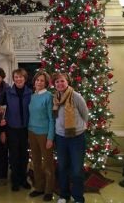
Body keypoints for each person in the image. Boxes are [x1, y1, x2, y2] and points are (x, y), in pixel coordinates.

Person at [52, 73, 88, 203]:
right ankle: (64, 195)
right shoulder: (55, 98)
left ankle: (78, 197)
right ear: (54, 84)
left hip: (76, 138)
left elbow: (85, 114)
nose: (59, 84)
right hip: (60, 137)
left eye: (62, 81)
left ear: (67, 82)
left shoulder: (76, 96)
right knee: (62, 167)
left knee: (77, 169)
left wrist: (80, 128)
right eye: (57, 82)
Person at [2, 68, 32, 191]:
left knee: (24, 156)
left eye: (21, 77)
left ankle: (23, 179)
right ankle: (14, 180)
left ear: (25, 79)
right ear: (13, 79)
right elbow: (2, 112)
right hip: (12, 129)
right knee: (14, 156)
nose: (18, 79)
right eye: (16, 77)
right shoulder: (7, 92)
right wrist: (3, 130)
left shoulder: (31, 93)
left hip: (26, 129)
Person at [28, 71, 55, 201]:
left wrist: (50, 137)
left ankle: (49, 190)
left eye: (42, 81)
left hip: (44, 134)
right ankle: (39, 187)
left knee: (48, 163)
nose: (39, 82)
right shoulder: (33, 96)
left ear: (46, 83)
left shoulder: (49, 96)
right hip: (31, 132)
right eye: (37, 80)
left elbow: (52, 119)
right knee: (36, 162)